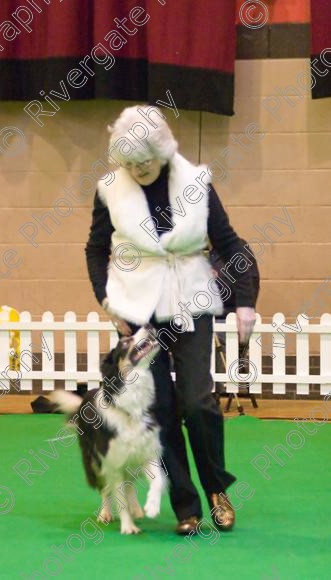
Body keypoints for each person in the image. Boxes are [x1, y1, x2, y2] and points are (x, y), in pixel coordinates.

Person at [85, 105, 257, 535]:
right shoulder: (109, 189)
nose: (138, 170)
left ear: (161, 151)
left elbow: (232, 244)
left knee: (198, 402)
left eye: (144, 161)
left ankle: (217, 488)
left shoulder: (197, 182)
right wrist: (107, 300)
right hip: (137, 313)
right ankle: (186, 506)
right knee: (159, 410)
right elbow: (95, 248)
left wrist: (245, 302)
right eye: (129, 163)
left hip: (191, 303)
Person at [210, 240, 260, 400]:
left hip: (228, 318)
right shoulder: (198, 251)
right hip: (202, 318)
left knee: (208, 338)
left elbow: (240, 288)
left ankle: (211, 393)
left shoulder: (238, 251)